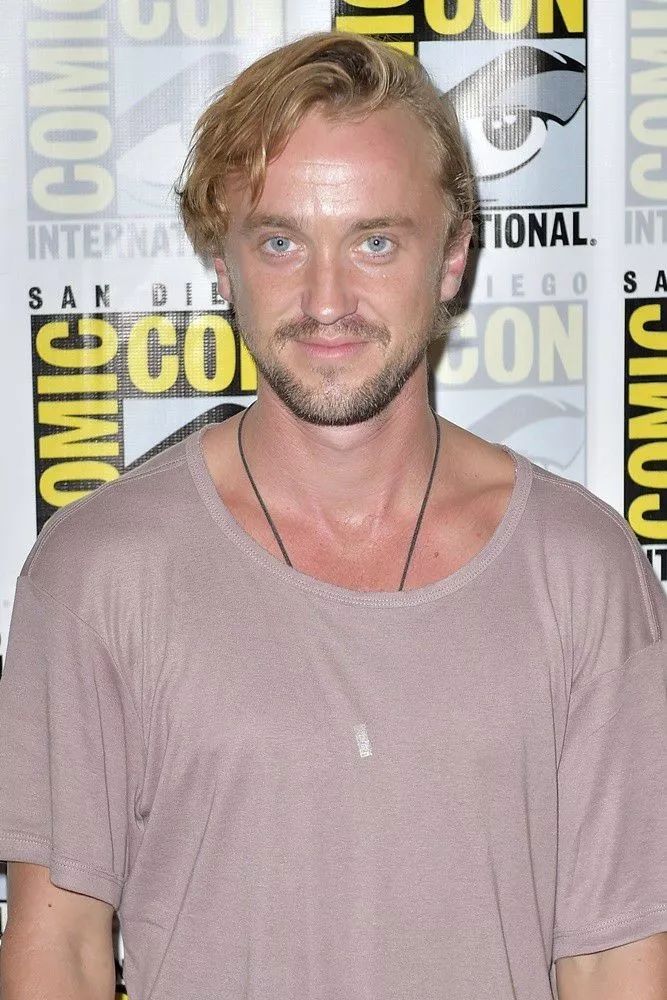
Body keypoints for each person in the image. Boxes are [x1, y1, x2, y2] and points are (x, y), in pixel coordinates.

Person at [0, 30, 665, 1000]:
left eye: (374, 241)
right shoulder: (98, 570)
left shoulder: (582, 570)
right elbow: (57, 945)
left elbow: (616, 960)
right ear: (221, 263)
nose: (325, 300)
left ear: (452, 257)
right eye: (280, 242)